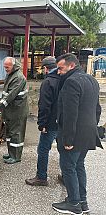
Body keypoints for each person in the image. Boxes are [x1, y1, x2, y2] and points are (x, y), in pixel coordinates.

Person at [52, 53, 103, 215]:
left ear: (71, 66)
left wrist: (68, 138)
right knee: (78, 165)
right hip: (88, 133)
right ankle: (82, 201)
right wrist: (93, 128)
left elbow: (69, 114)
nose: (58, 72)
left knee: (68, 167)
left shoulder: (71, 82)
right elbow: (97, 109)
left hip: (74, 135)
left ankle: (74, 204)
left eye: (61, 68)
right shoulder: (91, 80)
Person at [25, 56, 60, 186]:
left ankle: (41, 177)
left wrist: (42, 124)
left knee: (43, 149)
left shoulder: (48, 82)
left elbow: (44, 105)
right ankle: (65, 175)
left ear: (45, 68)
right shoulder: (64, 79)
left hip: (50, 123)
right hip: (62, 122)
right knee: (63, 149)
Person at [0, 57, 29, 164]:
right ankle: (11, 153)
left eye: (7, 67)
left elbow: (10, 96)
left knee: (16, 133)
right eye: (4, 67)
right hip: (11, 110)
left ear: (13, 65)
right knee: (10, 133)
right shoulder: (11, 74)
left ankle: (16, 156)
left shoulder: (18, 78)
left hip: (17, 110)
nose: (5, 69)